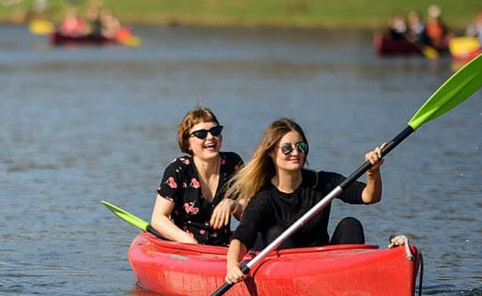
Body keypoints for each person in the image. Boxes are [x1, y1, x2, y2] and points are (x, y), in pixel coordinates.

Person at [223, 118, 384, 284]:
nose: (295, 152)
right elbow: (242, 236)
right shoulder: (263, 198)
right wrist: (232, 265)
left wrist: (373, 173)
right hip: (286, 276)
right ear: (271, 152)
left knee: (351, 224)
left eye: (301, 146)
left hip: (323, 269)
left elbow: (369, 196)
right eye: (287, 148)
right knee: (276, 234)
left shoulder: (322, 182)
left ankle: (349, 283)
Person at [151, 107, 245, 246]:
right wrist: (188, 241)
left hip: (223, 248)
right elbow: (158, 218)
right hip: (186, 247)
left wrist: (233, 205)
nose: (210, 137)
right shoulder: (179, 169)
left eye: (215, 131)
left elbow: (247, 216)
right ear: (188, 143)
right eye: (201, 134)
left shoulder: (233, 163)